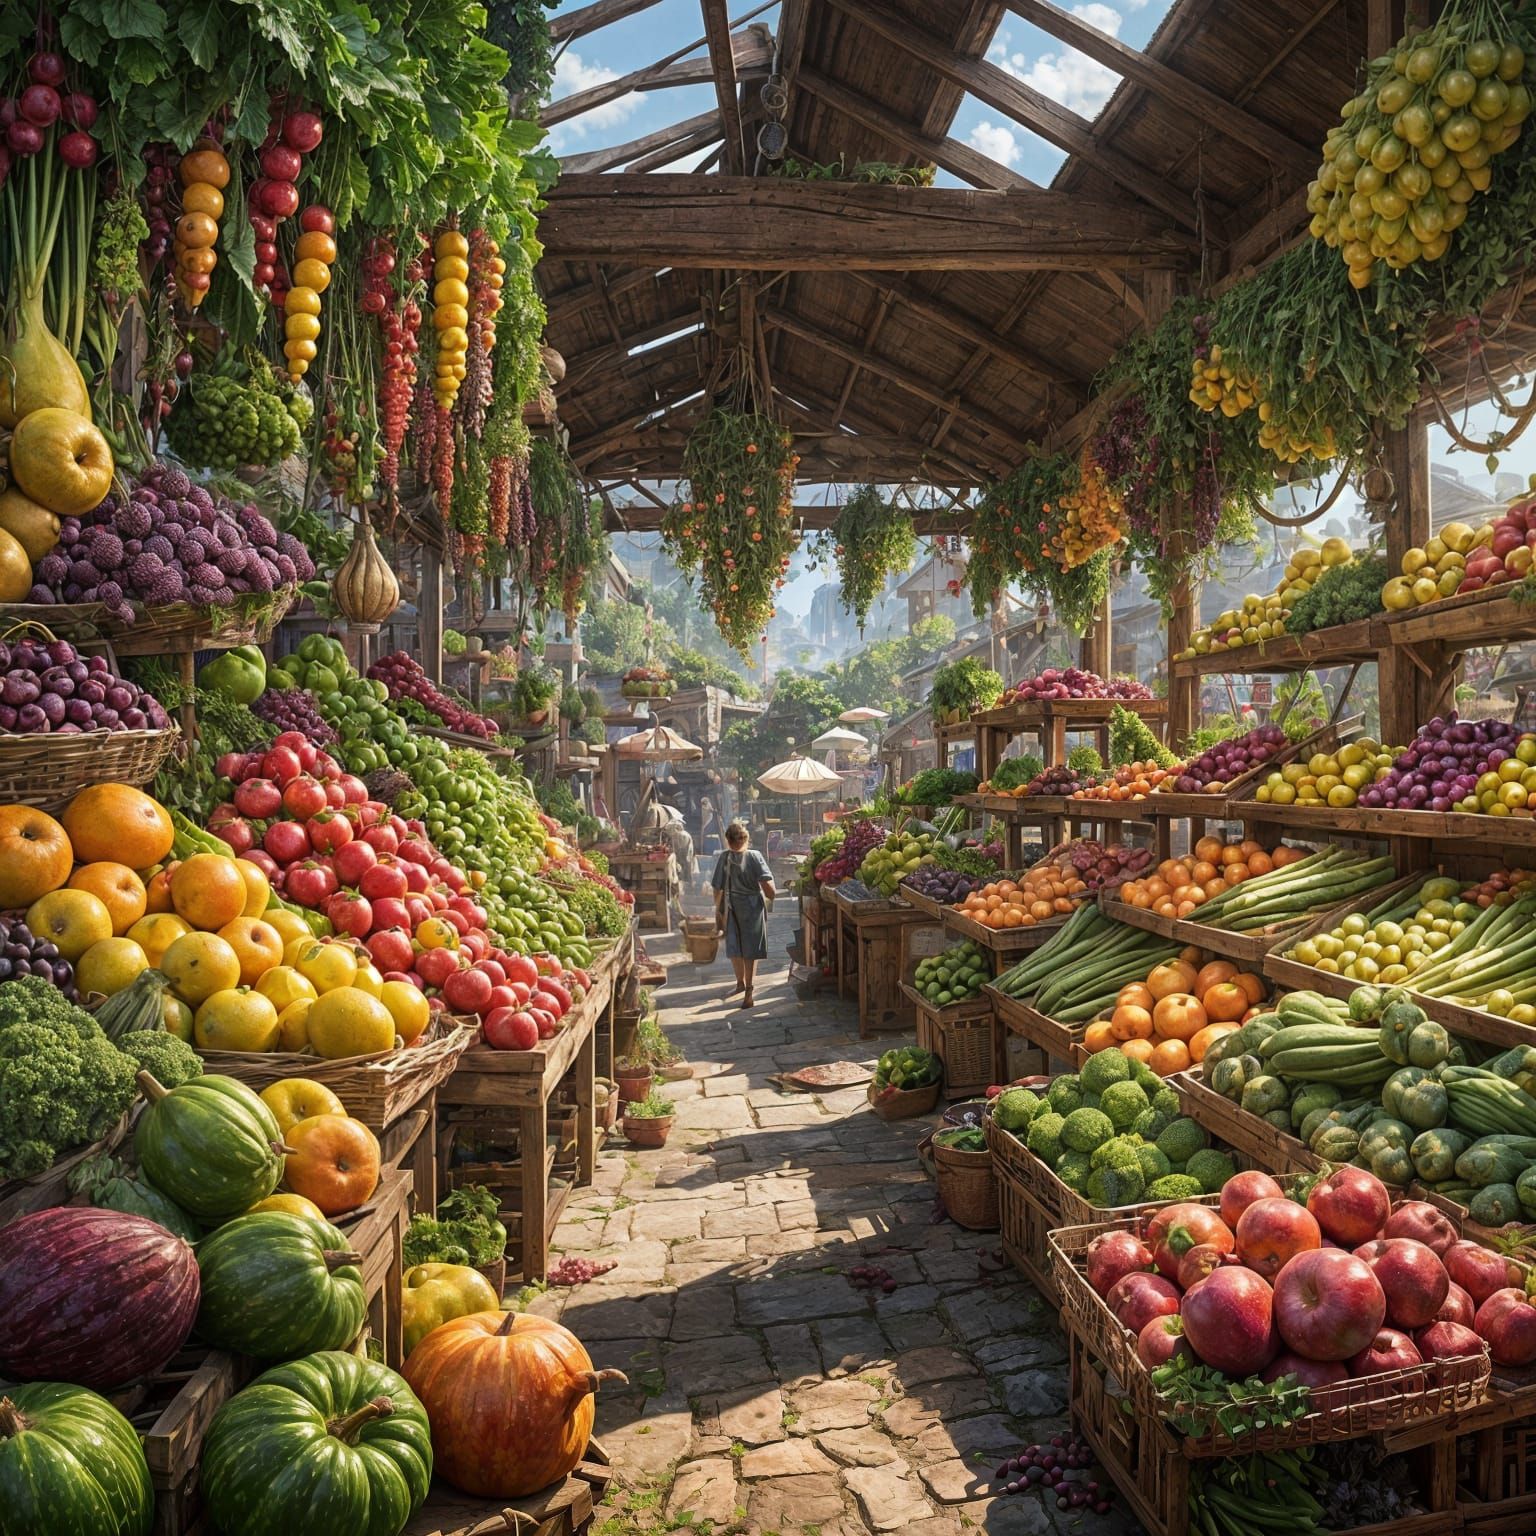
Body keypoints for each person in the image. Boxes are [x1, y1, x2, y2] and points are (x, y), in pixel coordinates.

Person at [712, 821, 776, 1008]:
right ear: (746, 838)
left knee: (734, 946)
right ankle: (748, 991)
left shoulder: (724, 858)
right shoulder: (755, 857)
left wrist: (718, 910)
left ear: (728, 840)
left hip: (732, 908)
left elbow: (717, 888)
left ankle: (739, 984)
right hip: (752, 909)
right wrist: (769, 896)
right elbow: (770, 891)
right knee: (750, 950)